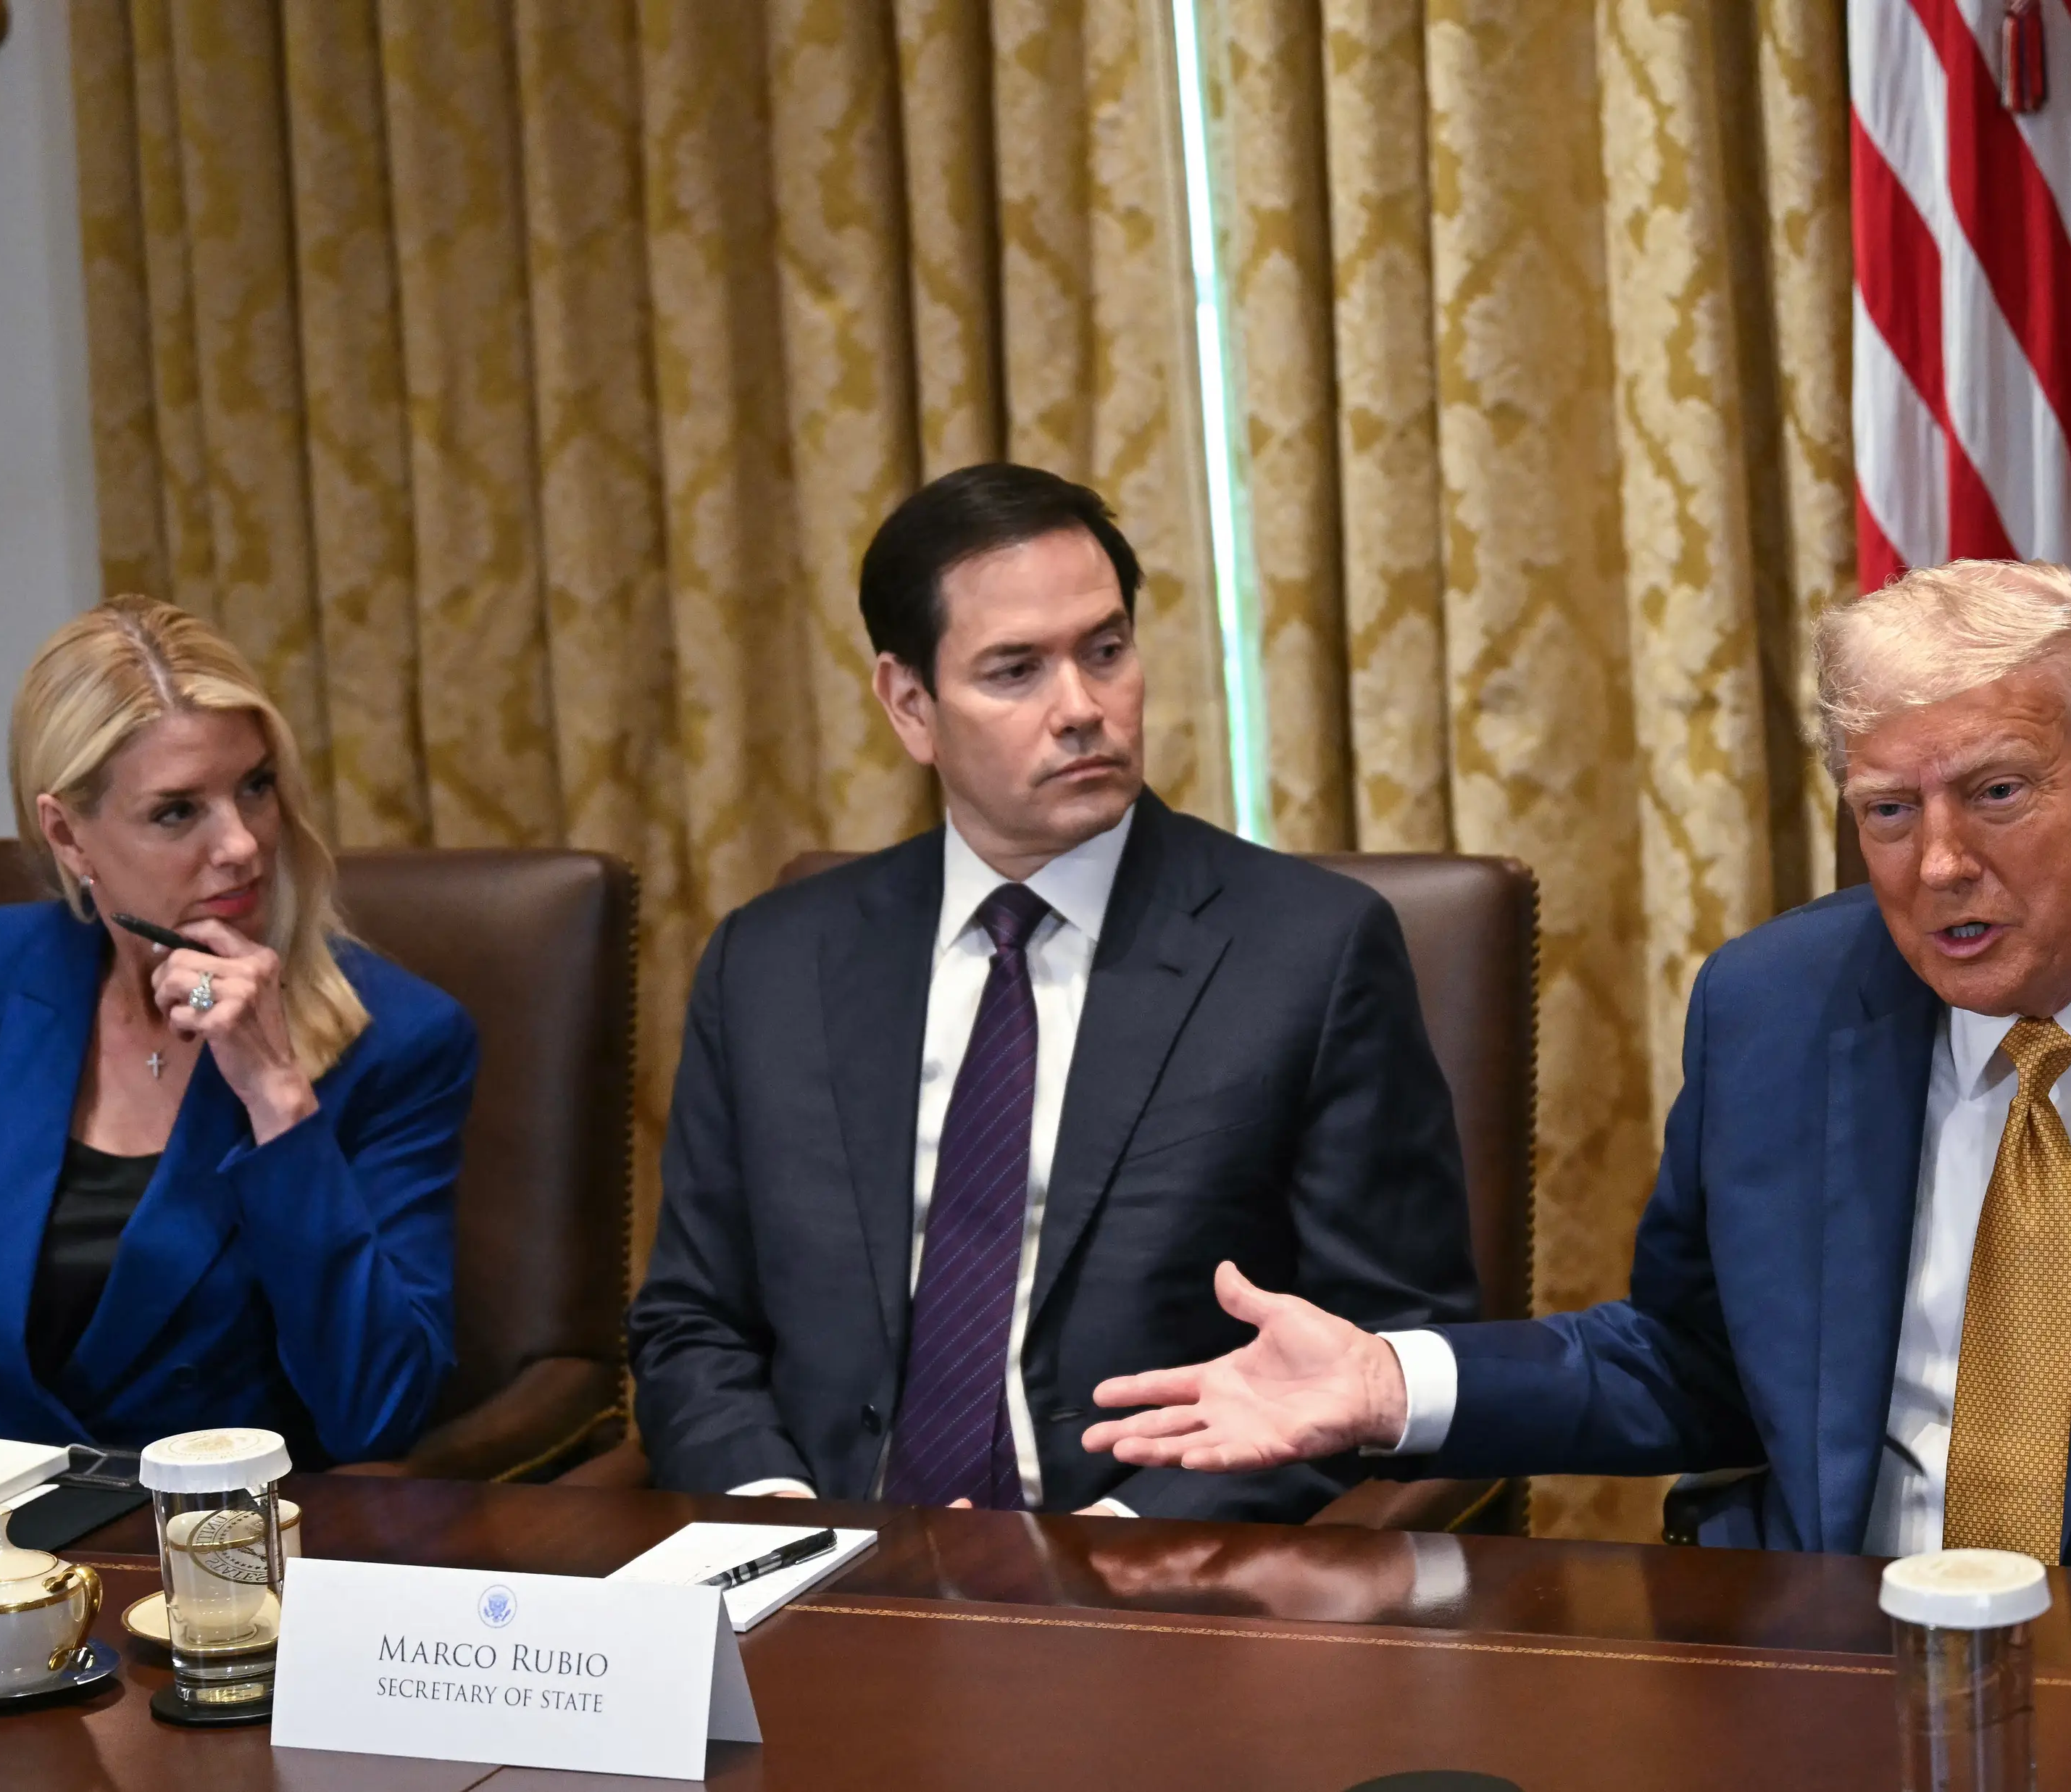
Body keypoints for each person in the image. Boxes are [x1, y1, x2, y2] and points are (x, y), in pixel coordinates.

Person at [1086, 559, 2071, 1645]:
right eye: (1889, 809)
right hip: (1839, 1686)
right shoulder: (1777, 1009)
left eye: (1996, 793)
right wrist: (1389, 1386)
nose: (1936, 866)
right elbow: (1690, 1361)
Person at [628, 462, 1478, 1522]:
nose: (1082, 708)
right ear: (910, 705)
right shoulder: (772, 965)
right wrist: (777, 1522)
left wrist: (1117, 1553)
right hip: (827, 1572)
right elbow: (694, 1324)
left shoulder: (1307, 953)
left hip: (1155, 1591)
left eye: (1106, 652)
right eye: (1015, 671)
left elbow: (1389, 1342)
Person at [0, 596, 476, 1466]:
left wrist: (278, 1101)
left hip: (218, 1547)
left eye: (255, 787)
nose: (243, 846)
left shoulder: (400, 1037)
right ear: (68, 833)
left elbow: (378, 1410)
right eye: (178, 811)